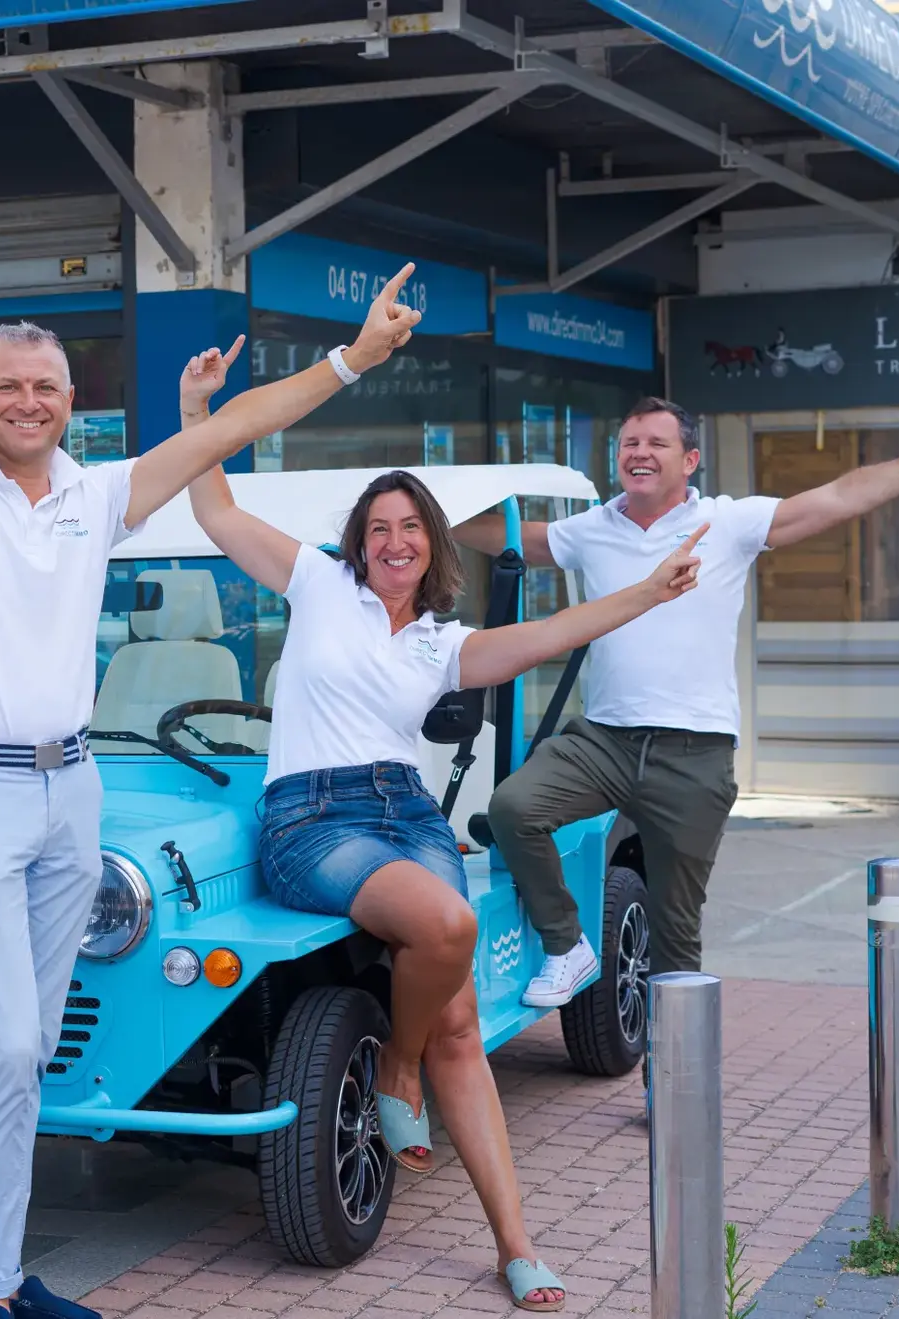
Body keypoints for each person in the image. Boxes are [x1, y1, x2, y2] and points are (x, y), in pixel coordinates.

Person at [0, 172, 420, 1319]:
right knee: (1, 1041)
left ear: (68, 399)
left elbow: (238, 427)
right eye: (8, 385)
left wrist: (353, 359)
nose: (28, 401)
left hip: (73, 793)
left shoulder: (97, 496)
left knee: (29, 1046)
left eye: (47, 386)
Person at [179, 348, 707, 1314]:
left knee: (463, 1022)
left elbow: (556, 634)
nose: (393, 541)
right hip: (309, 816)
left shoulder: (442, 641)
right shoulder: (314, 584)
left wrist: (650, 591)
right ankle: (396, 1065)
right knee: (449, 927)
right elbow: (211, 509)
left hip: (402, 811)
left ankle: (513, 1241)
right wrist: (194, 407)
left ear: (431, 546)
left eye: (409, 527)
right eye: (377, 528)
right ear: (357, 541)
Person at [452, 391, 899, 1006]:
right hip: (602, 740)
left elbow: (843, 496)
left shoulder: (729, 522)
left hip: (695, 755)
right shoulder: (592, 528)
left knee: (675, 935)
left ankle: (674, 1099)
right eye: (629, 442)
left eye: (656, 444)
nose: (639, 453)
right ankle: (566, 946)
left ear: (688, 461)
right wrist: (413, 511)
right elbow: (509, 537)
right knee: (514, 808)